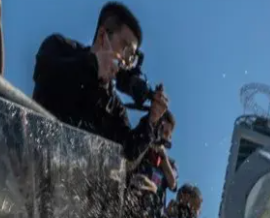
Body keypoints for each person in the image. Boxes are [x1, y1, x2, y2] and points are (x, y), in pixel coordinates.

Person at [32, 2, 168, 162]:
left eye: (131, 58)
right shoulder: (60, 47)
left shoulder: (114, 106)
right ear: (103, 35)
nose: (125, 62)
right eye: (125, 50)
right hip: (32, 161)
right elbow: (45, 74)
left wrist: (151, 121)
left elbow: (129, 150)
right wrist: (91, 65)